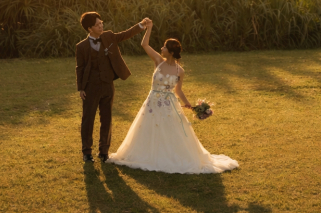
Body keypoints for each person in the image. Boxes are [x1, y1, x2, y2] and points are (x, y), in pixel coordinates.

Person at [107, 20, 239, 173]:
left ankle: (168, 156)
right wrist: (148, 28)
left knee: (170, 130)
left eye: (164, 47)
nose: (161, 48)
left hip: (169, 104)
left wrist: (189, 104)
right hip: (152, 102)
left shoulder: (180, 71)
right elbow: (144, 45)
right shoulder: (158, 61)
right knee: (149, 128)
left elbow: (179, 90)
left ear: (169, 51)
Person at [76, 12, 149, 163]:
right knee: (88, 119)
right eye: (97, 25)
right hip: (90, 87)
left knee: (107, 118)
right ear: (90, 28)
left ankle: (104, 151)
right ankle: (87, 152)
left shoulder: (108, 36)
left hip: (108, 85)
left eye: (101, 23)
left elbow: (125, 34)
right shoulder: (81, 46)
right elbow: (80, 68)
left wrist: (141, 25)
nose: (101, 26)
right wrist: (81, 88)